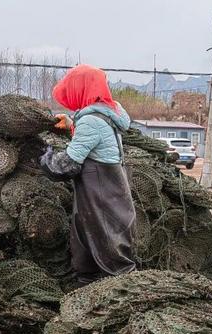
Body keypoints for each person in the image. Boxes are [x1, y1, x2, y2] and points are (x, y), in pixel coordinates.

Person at [40, 64, 136, 285]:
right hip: (110, 193)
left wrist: (45, 156)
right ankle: (91, 286)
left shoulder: (91, 121)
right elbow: (96, 140)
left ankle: (113, 292)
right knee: (93, 242)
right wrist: (72, 125)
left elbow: (66, 165)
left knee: (106, 246)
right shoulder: (107, 113)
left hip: (99, 194)